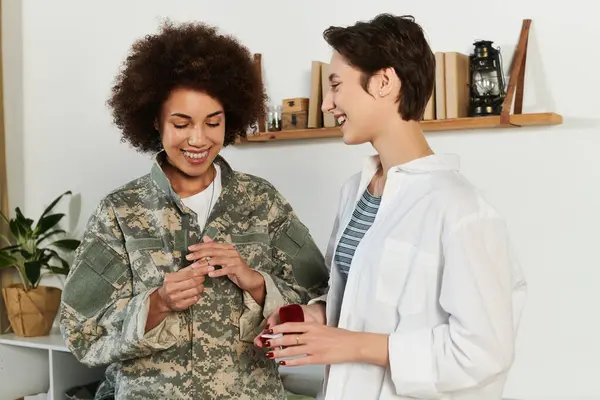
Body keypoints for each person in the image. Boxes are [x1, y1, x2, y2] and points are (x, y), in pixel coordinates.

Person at [255, 13, 527, 400]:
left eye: (335, 86)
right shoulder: (356, 191)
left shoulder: (460, 208)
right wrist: (316, 316)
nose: (329, 104)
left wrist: (350, 344)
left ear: (384, 82)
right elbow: (355, 294)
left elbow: (483, 352)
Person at [59, 20, 329, 400]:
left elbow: (321, 298)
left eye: (213, 123)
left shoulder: (261, 203)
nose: (198, 139)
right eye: (181, 123)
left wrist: (254, 282)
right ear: (155, 121)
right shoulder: (121, 212)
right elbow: (80, 329)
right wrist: (157, 304)